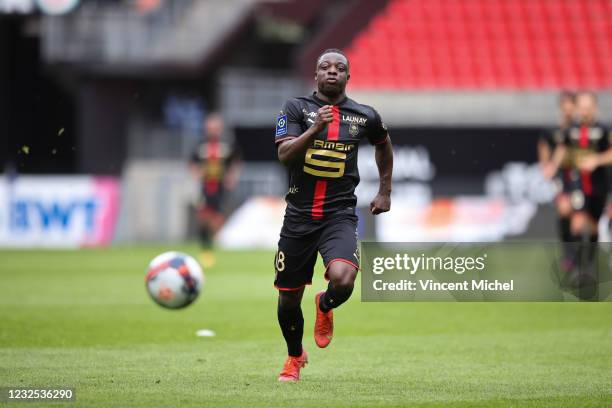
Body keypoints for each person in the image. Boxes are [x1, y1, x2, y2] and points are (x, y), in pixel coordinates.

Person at [273, 49, 393, 381]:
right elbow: (285, 154)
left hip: (338, 215)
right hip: (298, 216)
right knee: (287, 300)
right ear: (315, 75)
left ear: (347, 77)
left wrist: (385, 190)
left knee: (344, 278)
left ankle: (325, 304)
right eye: (325, 67)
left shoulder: (364, 115)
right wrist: (315, 130)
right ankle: (294, 357)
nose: (332, 72)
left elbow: (383, 142)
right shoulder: (296, 108)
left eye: (339, 68)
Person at [547, 91, 612, 292]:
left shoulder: (603, 131)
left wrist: (597, 160)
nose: (584, 110)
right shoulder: (571, 130)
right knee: (577, 222)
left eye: (587, 106)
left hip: (598, 185)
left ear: (594, 108)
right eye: (581, 106)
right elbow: (561, 149)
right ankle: (577, 267)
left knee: (592, 227)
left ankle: (588, 265)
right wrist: (552, 166)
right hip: (577, 185)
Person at [190, 113, 241, 268]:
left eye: (215, 127)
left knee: (218, 218)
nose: (213, 130)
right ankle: (206, 250)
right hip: (205, 186)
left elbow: (236, 161)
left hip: (220, 186)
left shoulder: (227, 144)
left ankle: (212, 245)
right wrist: (197, 173)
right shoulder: (200, 145)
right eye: (210, 127)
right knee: (203, 217)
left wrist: (232, 177)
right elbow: (192, 162)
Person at [540, 91, 576, 269]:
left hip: (584, 177)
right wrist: (547, 166)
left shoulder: (583, 130)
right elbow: (544, 147)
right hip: (564, 179)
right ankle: (568, 254)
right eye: (565, 106)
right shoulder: (554, 131)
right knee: (565, 211)